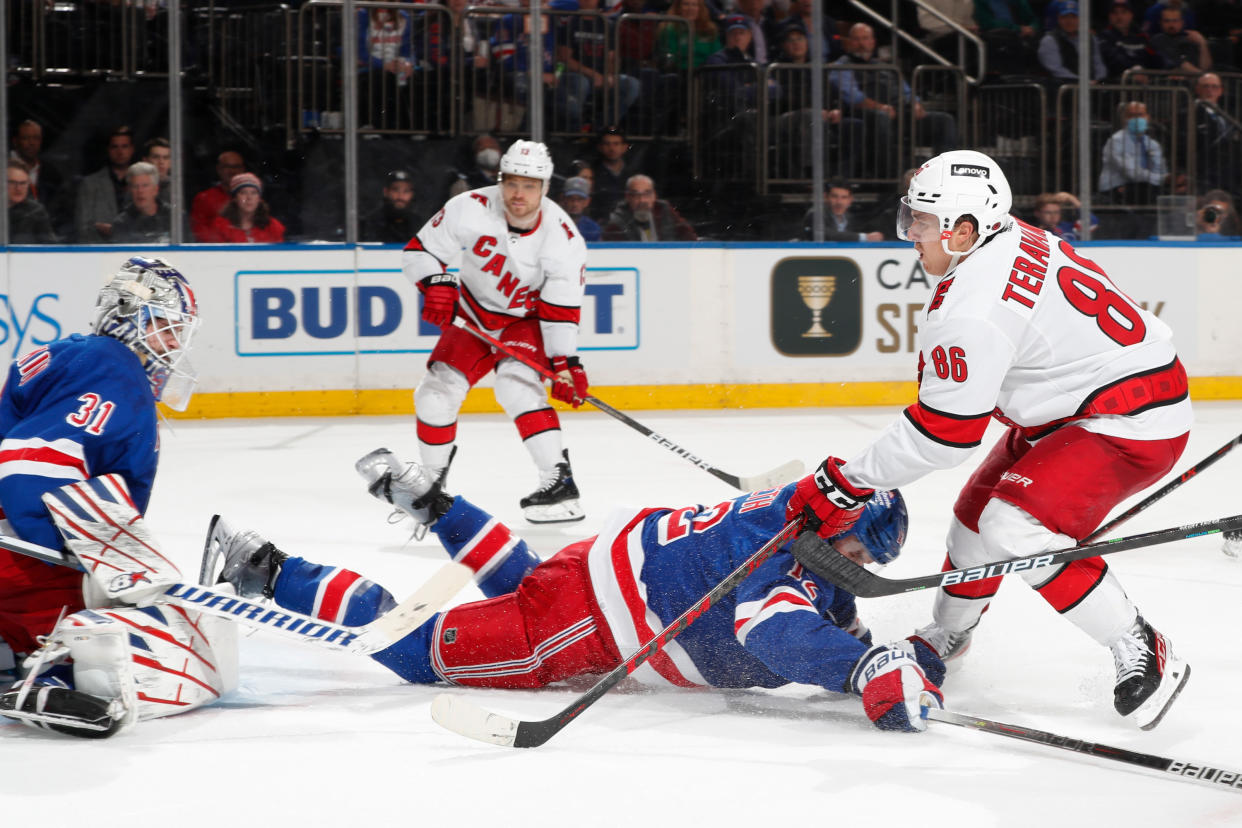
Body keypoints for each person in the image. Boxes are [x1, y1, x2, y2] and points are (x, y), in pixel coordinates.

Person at [786, 149, 1193, 731]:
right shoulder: (1007, 237)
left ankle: (1142, 644)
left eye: (922, 222)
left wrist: (846, 482)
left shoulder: (973, 307)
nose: (911, 235)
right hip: (1082, 404)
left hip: (1128, 421)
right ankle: (951, 634)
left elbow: (944, 437)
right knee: (974, 521)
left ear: (966, 229)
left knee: (1014, 527)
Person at [203, 447, 945, 734]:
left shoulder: (794, 508)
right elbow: (771, 629)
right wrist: (860, 670)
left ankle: (431, 499)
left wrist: (903, 654)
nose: (852, 565)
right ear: (831, 532)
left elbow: (826, 611)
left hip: (593, 568)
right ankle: (261, 566)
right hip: (585, 625)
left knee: (525, 580)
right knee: (408, 645)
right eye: (851, 549)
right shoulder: (776, 571)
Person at [0, 257, 227, 739]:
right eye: (166, 328)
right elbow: (30, 461)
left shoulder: (81, 356)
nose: (173, 345)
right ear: (130, 317)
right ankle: (55, 669)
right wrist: (86, 558)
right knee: (157, 622)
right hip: (17, 557)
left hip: (11, 554)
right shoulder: (114, 366)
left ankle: (22, 645)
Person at [401, 140, 591, 524]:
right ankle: (433, 489)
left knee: (516, 386)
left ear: (545, 188)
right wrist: (437, 282)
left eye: (530, 185)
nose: (519, 194)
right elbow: (418, 251)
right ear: (501, 180)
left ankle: (559, 483)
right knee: (434, 396)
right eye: (512, 183)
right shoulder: (469, 207)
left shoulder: (564, 239)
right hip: (472, 315)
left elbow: (560, 311)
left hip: (526, 319)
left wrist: (566, 364)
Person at [831, 23, 959, 173]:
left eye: (865, 39)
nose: (861, 44)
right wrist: (880, 107)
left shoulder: (887, 67)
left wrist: (915, 103)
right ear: (849, 42)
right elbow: (852, 97)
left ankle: (942, 173)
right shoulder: (842, 66)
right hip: (865, 114)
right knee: (881, 117)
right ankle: (888, 175)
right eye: (857, 39)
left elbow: (906, 91)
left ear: (873, 42)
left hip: (899, 113)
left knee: (943, 121)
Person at [554, 0, 641, 132]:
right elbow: (565, 59)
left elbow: (612, 58)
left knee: (632, 84)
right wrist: (593, 74)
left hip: (602, 75)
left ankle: (601, 129)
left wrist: (609, 75)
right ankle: (574, 131)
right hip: (576, 74)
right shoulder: (570, 24)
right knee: (581, 83)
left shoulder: (607, 25)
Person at [1098, 100, 1168, 209]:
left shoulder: (1153, 144)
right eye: (1131, 115)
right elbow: (1132, 174)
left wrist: (1165, 179)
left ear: (1147, 118)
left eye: (1140, 115)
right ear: (1125, 119)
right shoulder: (1116, 141)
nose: (1136, 119)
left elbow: (1161, 170)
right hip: (1116, 188)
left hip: (1143, 186)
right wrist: (1162, 179)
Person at [74, 126, 136, 243]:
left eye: (124, 146)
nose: (120, 152)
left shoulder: (143, 183)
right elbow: (82, 228)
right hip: (99, 252)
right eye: (115, 147)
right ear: (108, 150)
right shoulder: (89, 184)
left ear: (132, 149)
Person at [602, 174, 699, 241]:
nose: (642, 200)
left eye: (647, 194)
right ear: (628, 197)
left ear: (654, 195)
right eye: (636, 195)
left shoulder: (664, 210)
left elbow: (689, 237)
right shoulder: (617, 221)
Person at [9, 120, 67, 232]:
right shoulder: (4, 171)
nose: (31, 143)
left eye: (36, 138)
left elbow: (60, 212)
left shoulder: (52, 174)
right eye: (26, 138)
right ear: (15, 141)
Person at [1194, 72, 1242, 198]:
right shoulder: (1190, 111)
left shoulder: (1228, 112)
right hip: (1206, 160)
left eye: (1214, 87)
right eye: (1206, 86)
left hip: (1231, 158)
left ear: (1221, 91)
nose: (1210, 90)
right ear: (1197, 89)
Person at [1037, 1, 1107, 83]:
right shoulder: (1049, 40)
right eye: (1065, 17)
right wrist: (1084, 82)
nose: (1069, 21)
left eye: (1074, 17)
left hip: (1092, 87)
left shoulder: (1091, 38)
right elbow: (1056, 69)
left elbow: (1098, 64)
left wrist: (1099, 80)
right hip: (1062, 89)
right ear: (1058, 19)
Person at [210, 172, 286, 243]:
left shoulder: (273, 226)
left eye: (254, 193)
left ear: (259, 198)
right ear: (234, 198)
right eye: (243, 192)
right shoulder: (220, 226)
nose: (249, 198)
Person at [191, 150, 247, 242]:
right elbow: (200, 232)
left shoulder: (252, 198)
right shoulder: (204, 198)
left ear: (243, 169)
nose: (232, 171)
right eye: (227, 167)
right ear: (218, 169)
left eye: (236, 167)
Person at [110, 162, 172, 244]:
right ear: (130, 190)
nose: (140, 191)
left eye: (145, 185)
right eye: (135, 186)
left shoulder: (174, 218)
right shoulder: (121, 223)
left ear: (155, 189)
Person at [802, 180, 884, 241]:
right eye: (834, 196)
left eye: (844, 197)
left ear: (850, 200)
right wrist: (864, 237)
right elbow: (827, 235)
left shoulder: (850, 218)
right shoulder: (815, 214)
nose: (839, 202)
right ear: (826, 197)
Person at [1099, 0, 1161, 80]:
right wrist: (1133, 69)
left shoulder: (1141, 36)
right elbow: (1113, 59)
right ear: (1109, 16)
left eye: (1123, 12)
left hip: (1144, 84)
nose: (1119, 17)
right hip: (1117, 84)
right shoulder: (1105, 36)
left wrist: (1172, 68)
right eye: (1115, 13)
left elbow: (1156, 56)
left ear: (1131, 15)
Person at [591, 127, 638, 221]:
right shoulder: (591, 174)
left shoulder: (634, 175)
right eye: (607, 144)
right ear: (600, 147)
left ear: (625, 147)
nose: (612, 148)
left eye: (616, 144)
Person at [362, 170, 421, 244]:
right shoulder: (372, 222)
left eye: (406, 191)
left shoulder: (418, 224)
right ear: (386, 192)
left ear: (412, 194)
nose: (400, 196)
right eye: (395, 190)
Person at [7, 160, 59, 244]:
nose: (18, 188)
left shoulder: (36, 211)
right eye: (12, 182)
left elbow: (49, 248)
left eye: (23, 183)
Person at [1149, 6, 1212, 73]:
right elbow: (1181, 64)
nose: (1171, 25)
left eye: (1175, 21)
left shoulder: (1193, 38)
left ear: (1182, 22)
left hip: (1197, 80)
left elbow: (1206, 67)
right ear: (1160, 23)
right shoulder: (1157, 40)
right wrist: (1203, 77)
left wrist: (1202, 43)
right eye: (1166, 21)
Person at [448, 135, 502, 200]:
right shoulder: (464, 184)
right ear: (474, 154)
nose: (488, 151)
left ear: (500, 151)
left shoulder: (509, 179)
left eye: (492, 147)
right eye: (482, 149)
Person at [1031, 191, 1098, 240]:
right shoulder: (1031, 232)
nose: (1053, 216)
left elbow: (1092, 222)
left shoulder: (1069, 227)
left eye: (1056, 212)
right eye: (1048, 212)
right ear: (1037, 213)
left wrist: (1072, 199)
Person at [560, 176, 602, 242]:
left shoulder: (592, 228)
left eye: (580, 199)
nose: (575, 204)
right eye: (571, 198)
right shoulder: (554, 223)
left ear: (587, 202)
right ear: (564, 199)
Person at [142, 137, 173, 202]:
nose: (161, 162)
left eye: (165, 157)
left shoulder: (177, 188)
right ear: (145, 161)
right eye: (156, 157)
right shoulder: (136, 187)